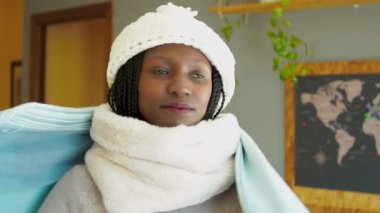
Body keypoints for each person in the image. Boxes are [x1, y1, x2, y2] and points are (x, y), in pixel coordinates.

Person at [39, 2, 309, 213]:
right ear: (129, 82)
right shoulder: (83, 187)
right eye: (160, 70)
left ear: (215, 90)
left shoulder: (248, 183)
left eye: (198, 74)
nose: (181, 87)